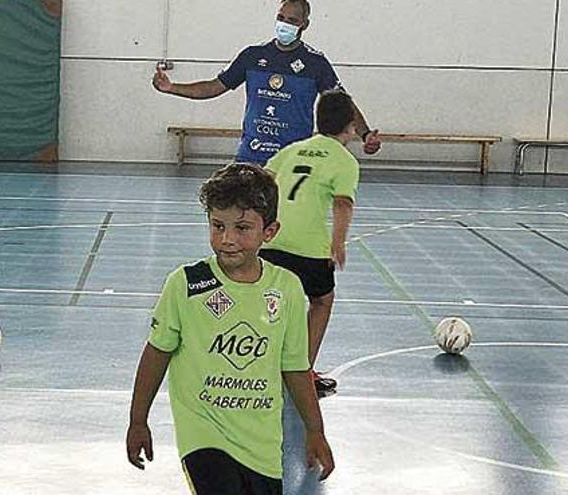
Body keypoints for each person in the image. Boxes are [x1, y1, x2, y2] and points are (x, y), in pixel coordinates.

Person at [126, 163, 334, 494]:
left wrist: (315, 429)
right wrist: (138, 420)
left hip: (262, 445)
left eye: (242, 228)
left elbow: (295, 368)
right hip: (204, 435)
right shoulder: (188, 284)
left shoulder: (287, 289)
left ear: (270, 231)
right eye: (218, 226)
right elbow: (157, 351)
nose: (227, 239)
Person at [152, 0, 380, 165]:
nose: (284, 24)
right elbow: (214, 86)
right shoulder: (252, 55)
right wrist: (171, 87)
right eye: (281, 18)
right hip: (251, 154)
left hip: (293, 159)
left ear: (304, 24)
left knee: (282, 224)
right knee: (242, 219)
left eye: (292, 20)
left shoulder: (315, 63)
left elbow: (343, 103)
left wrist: (366, 134)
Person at [260, 91, 361, 396]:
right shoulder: (345, 160)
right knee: (321, 302)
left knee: (269, 303)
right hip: (309, 249)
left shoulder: (292, 150)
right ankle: (301, 373)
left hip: (271, 241)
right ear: (351, 126)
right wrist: (338, 243)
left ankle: (259, 365)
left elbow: (264, 180)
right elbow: (343, 203)